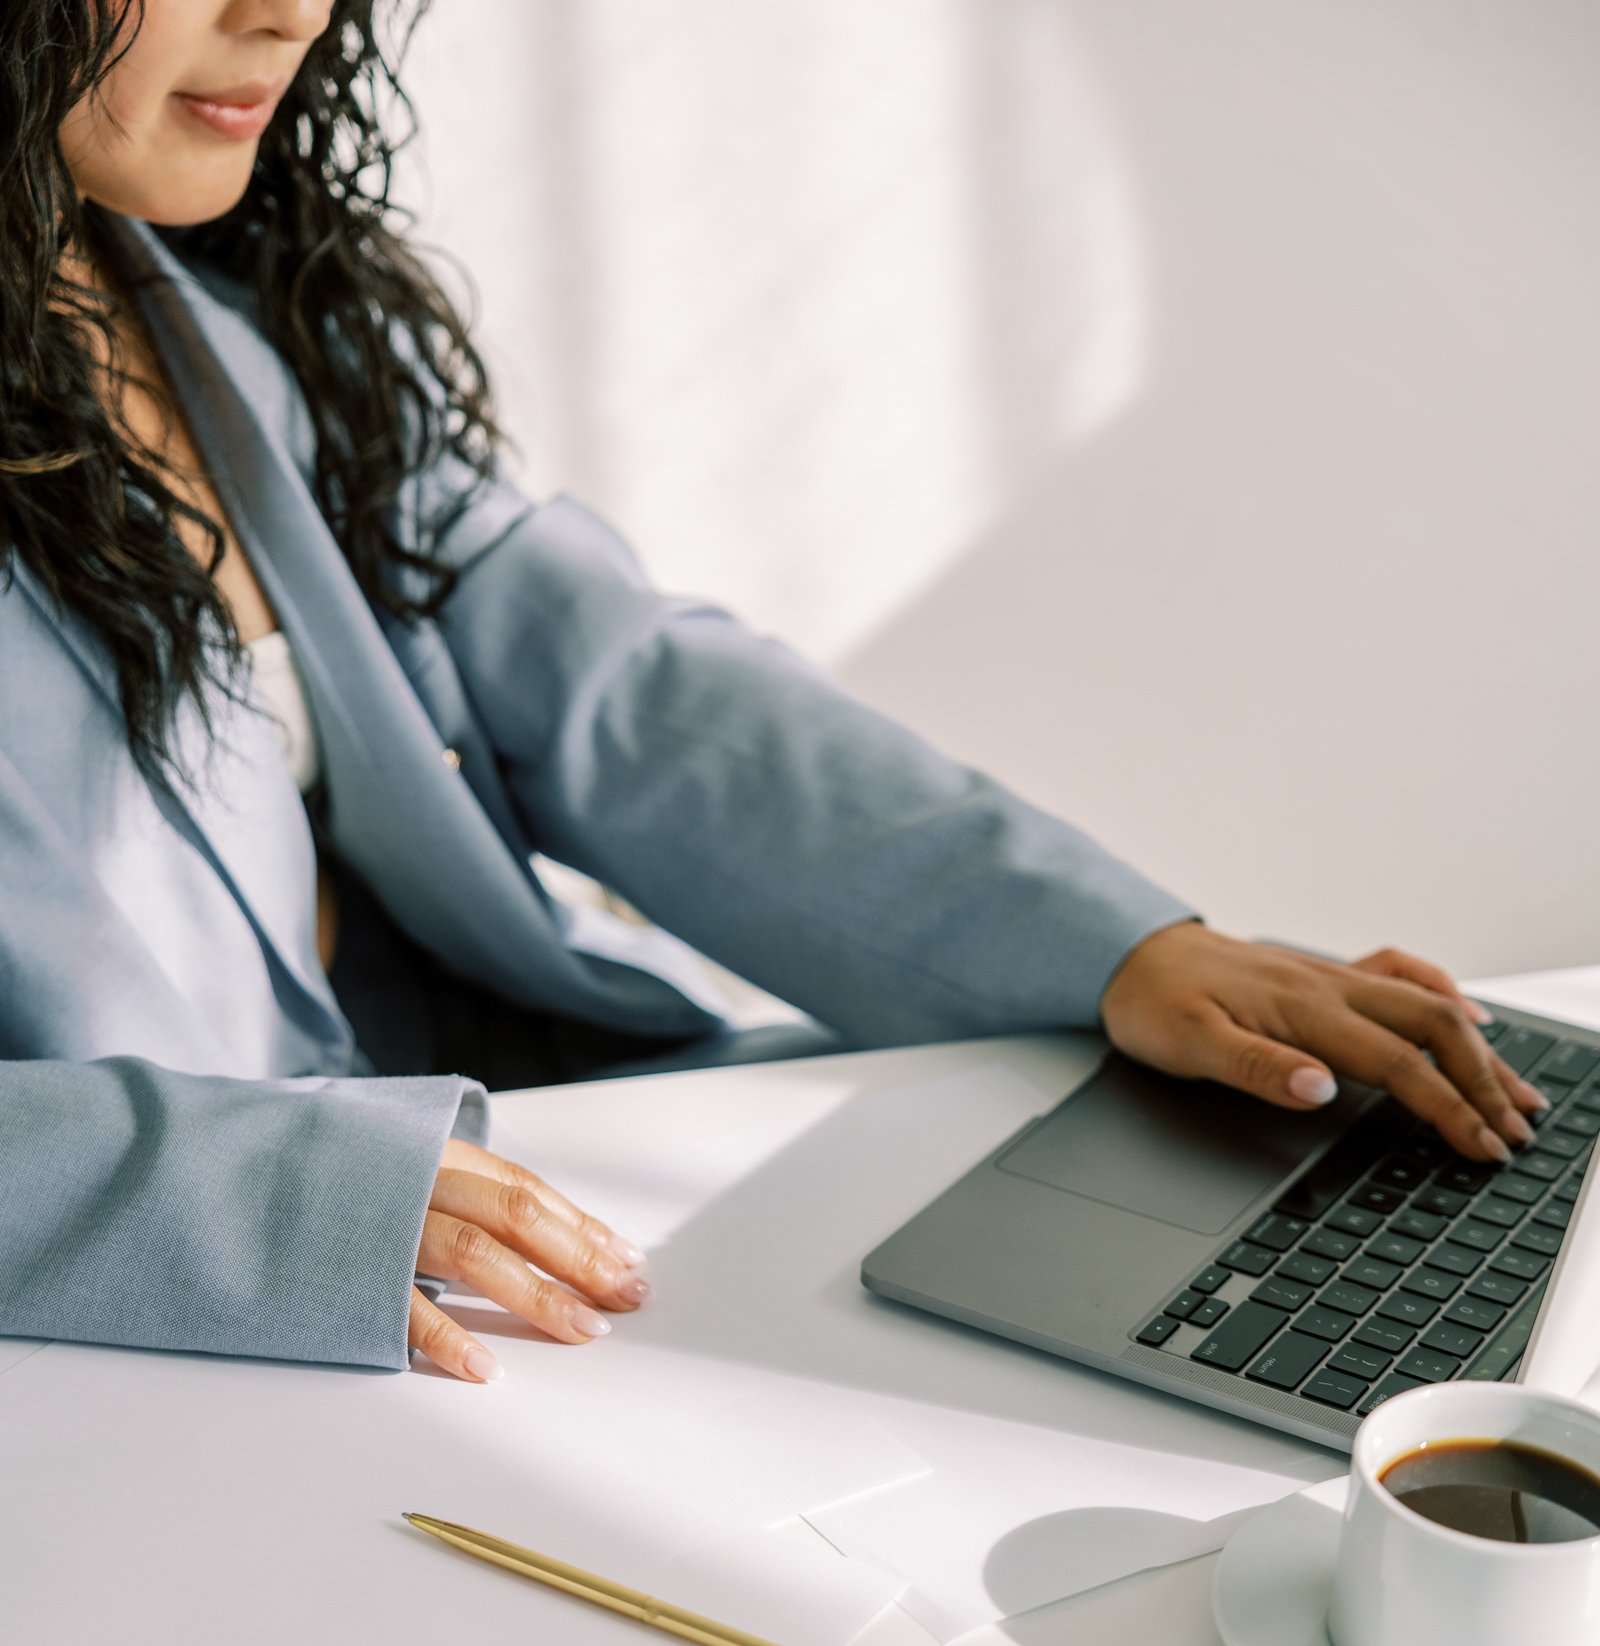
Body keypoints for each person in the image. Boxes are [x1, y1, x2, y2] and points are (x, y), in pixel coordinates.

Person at [0, 0, 1545, 1385]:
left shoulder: (212, 311)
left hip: (535, 1161)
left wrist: (1129, 948)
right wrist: (260, 1194)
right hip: (203, 1321)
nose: (288, 13)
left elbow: (628, 685)